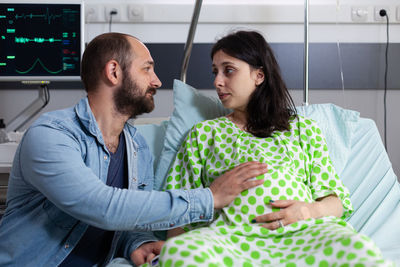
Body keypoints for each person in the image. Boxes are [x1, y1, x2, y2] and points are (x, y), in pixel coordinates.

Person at [0, 32, 269, 266]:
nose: (157, 81)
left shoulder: (137, 147)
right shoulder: (51, 135)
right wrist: (209, 197)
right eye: (147, 69)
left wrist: (138, 244)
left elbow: (130, 223)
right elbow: (100, 205)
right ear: (114, 71)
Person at [156, 30, 393, 266]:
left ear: (259, 75)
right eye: (215, 72)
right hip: (229, 240)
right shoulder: (204, 134)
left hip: (304, 235)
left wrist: (308, 211)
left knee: (360, 250)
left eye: (228, 70)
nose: (217, 81)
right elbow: (180, 209)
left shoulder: (302, 129)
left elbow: (337, 202)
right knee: (179, 254)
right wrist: (169, 248)